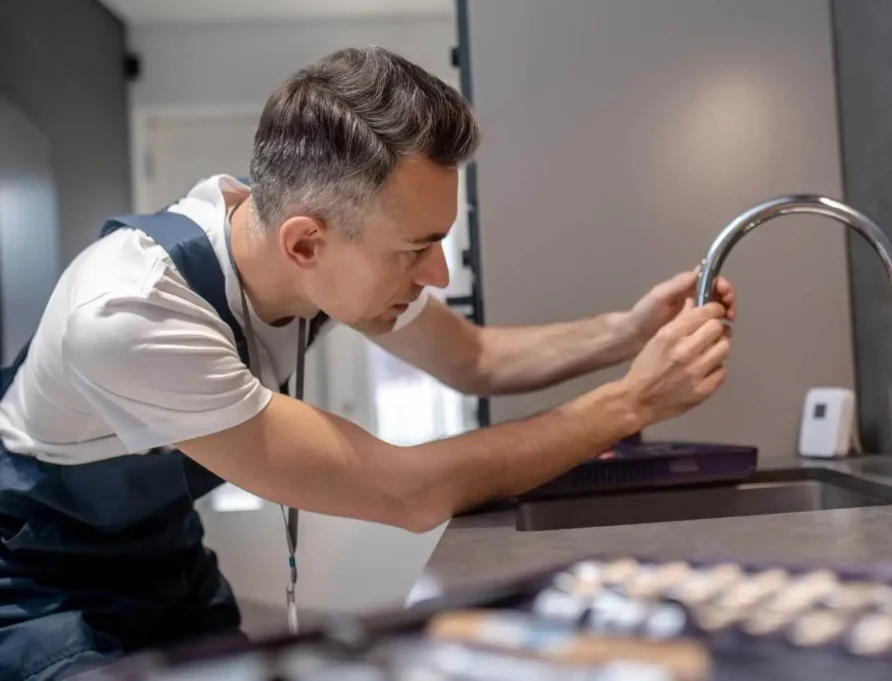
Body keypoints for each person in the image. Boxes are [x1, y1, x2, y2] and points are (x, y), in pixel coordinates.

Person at [0, 46, 735, 680]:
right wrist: (632, 402)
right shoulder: (132, 315)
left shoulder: (320, 259)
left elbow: (474, 358)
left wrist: (627, 332)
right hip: (40, 589)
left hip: (165, 555)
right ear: (305, 243)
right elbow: (405, 490)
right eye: (416, 249)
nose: (439, 274)